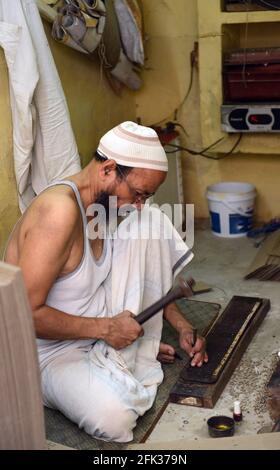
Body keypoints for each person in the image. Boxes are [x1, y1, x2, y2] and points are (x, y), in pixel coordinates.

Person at [4, 121, 207, 442]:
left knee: (149, 220)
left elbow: (144, 270)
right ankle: (53, 384)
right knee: (114, 419)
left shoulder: (105, 206)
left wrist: (180, 324)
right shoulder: (58, 214)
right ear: (109, 169)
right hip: (46, 351)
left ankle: (124, 357)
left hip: (95, 330)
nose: (140, 203)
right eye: (138, 194)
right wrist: (107, 329)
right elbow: (23, 316)